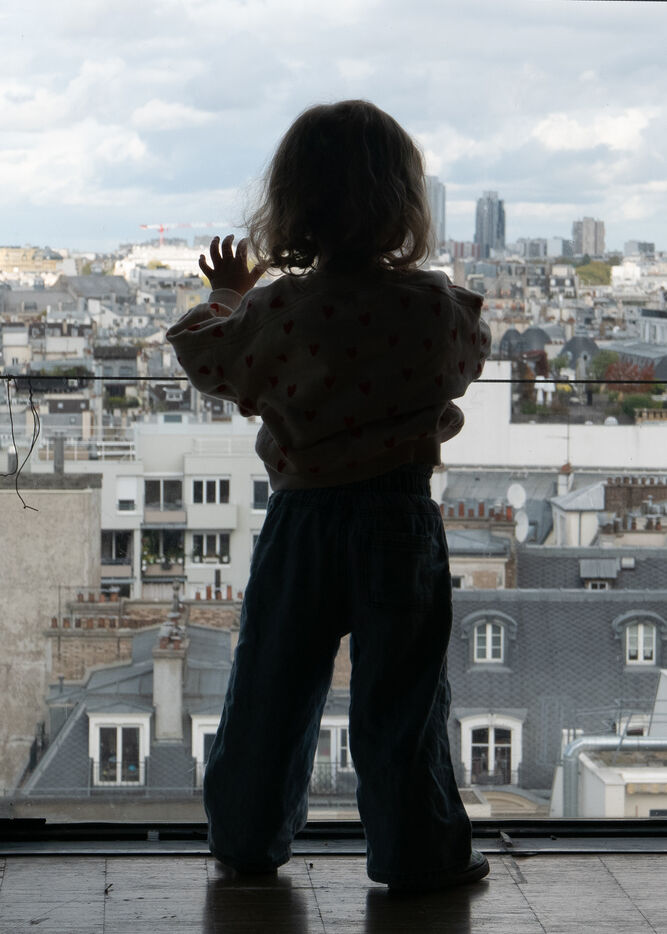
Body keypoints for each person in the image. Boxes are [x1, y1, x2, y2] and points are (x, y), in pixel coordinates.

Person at [166, 99, 491, 892]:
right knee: (402, 700)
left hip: (302, 516)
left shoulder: (279, 309)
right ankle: (416, 853)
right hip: (396, 515)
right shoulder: (430, 306)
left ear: (292, 203)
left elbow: (207, 358)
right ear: (405, 202)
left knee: (270, 687)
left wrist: (229, 297)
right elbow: (468, 356)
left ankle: (246, 837)